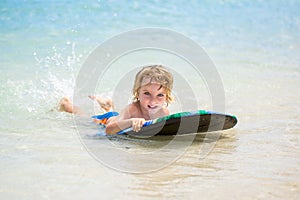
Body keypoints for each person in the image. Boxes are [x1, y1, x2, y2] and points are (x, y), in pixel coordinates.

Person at [59, 65, 174, 134]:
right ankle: (66, 104)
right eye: (147, 93)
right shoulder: (132, 109)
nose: (153, 101)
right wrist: (131, 121)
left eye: (160, 95)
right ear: (137, 93)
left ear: (167, 96)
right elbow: (109, 130)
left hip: (117, 117)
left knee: (111, 112)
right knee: (84, 117)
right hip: (104, 122)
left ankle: (107, 105)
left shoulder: (164, 112)